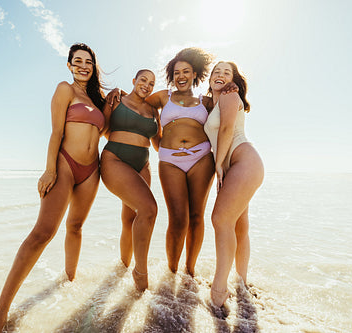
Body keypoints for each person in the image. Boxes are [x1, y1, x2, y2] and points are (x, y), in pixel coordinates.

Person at [0, 43, 106, 332]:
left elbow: (102, 130)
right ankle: (1, 311)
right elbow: (56, 132)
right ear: (69, 65)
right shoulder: (65, 89)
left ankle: (69, 282)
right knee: (42, 233)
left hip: (92, 169)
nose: (83, 65)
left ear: (94, 66)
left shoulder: (96, 98)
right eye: (77, 61)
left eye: (88, 61)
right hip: (66, 164)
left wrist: (114, 100)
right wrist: (50, 169)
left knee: (76, 227)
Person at [146, 47, 215, 276]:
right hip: (169, 160)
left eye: (186, 71)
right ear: (172, 75)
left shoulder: (206, 101)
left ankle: (190, 271)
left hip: (201, 158)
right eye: (177, 72)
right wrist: (157, 137)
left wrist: (232, 87)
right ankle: (172, 272)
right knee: (177, 218)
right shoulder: (162, 97)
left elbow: (228, 114)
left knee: (196, 217)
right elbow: (140, 104)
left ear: (195, 74)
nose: (181, 76)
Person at [204, 61, 264, 308]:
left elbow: (227, 129)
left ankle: (219, 290)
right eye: (216, 72)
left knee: (220, 220)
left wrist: (219, 165)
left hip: (244, 161)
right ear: (210, 80)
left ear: (233, 80)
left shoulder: (230, 95)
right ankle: (242, 284)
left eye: (226, 72)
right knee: (239, 226)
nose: (220, 75)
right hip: (239, 167)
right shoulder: (213, 104)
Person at [100, 69, 160, 291]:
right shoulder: (117, 99)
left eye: (151, 83)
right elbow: (102, 129)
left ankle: (122, 268)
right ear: (134, 80)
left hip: (143, 164)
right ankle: (141, 273)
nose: (147, 85)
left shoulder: (154, 110)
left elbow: (159, 143)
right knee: (149, 209)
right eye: (143, 80)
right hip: (115, 159)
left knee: (130, 217)